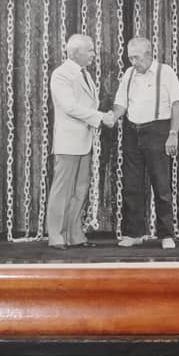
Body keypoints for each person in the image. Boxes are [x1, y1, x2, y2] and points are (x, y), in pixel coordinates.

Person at [111, 37, 179, 249]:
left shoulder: (166, 72)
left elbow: (176, 103)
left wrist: (173, 134)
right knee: (132, 185)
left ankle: (166, 234)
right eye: (130, 58)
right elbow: (120, 103)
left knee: (161, 185)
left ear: (149, 53)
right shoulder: (129, 74)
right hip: (133, 131)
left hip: (158, 130)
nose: (133, 62)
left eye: (137, 57)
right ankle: (134, 233)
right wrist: (111, 117)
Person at [47, 34, 115, 250]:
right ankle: (56, 236)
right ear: (76, 52)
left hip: (84, 141)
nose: (94, 54)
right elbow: (69, 107)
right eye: (91, 50)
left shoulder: (84, 74)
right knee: (62, 190)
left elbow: (88, 104)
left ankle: (74, 234)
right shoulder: (61, 74)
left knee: (80, 190)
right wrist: (101, 118)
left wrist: (101, 116)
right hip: (68, 142)